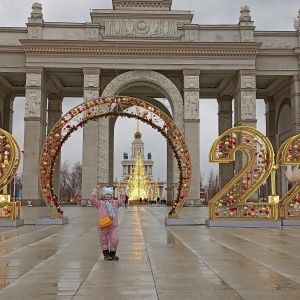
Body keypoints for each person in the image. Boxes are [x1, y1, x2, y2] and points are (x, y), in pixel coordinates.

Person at [90, 185, 125, 261]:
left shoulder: (115, 203)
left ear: (111, 195)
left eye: (109, 194)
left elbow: (123, 199)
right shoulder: (99, 203)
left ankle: (113, 253)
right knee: (103, 239)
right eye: (106, 194)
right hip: (103, 225)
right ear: (104, 195)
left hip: (113, 225)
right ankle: (106, 254)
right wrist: (95, 190)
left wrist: (121, 190)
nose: (108, 196)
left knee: (115, 239)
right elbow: (92, 199)